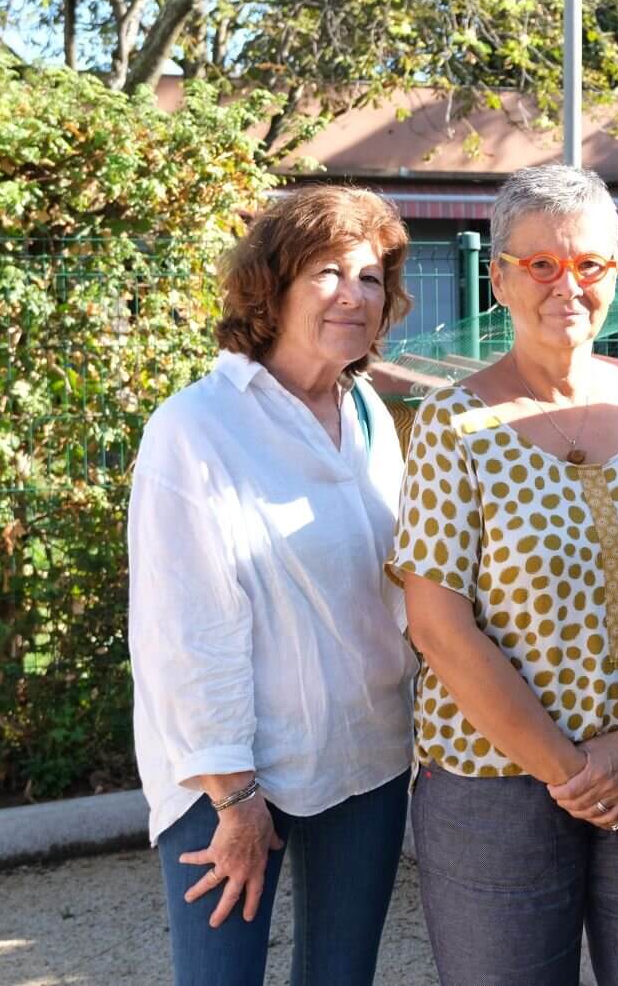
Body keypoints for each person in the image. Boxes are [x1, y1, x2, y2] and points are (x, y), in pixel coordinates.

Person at [389, 164, 618, 986]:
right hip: (494, 791)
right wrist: (574, 772)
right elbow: (438, 624)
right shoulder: (456, 422)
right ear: (499, 277)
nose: (567, 285)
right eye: (541, 264)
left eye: (590, 264)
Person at [128, 185, 417, 986]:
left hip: (367, 756)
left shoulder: (366, 413)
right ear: (272, 286)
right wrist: (233, 796)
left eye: (369, 276)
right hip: (228, 774)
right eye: (328, 271)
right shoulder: (197, 426)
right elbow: (183, 627)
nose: (353, 295)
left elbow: (396, 592)